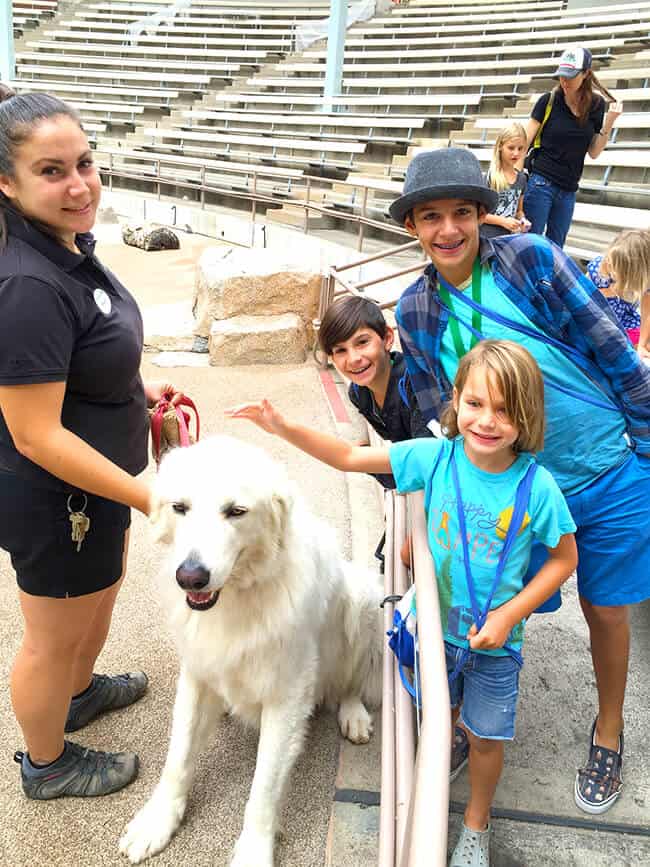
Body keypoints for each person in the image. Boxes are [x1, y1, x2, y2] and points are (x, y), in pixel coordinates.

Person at [226, 339, 578, 867]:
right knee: (442, 712)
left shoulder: (538, 487)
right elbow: (348, 456)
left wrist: (510, 614)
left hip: (494, 645)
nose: (486, 421)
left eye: (505, 410)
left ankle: (477, 822)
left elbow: (563, 559)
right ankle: (450, 743)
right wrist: (283, 427)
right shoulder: (436, 458)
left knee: (486, 740)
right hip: (434, 633)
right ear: (456, 399)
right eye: (476, 403)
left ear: (526, 416)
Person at [390, 145, 650, 817]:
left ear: (481, 213)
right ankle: (468, 723)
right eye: (430, 217)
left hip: (603, 468)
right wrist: (424, 510)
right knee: (488, 609)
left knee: (606, 607)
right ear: (413, 226)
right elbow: (432, 419)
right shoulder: (415, 310)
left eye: (460, 213)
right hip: (516, 490)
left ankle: (609, 727)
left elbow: (612, 349)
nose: (447, 230)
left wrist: (645, 450)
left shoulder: (530, 259)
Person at [0, 86, 179, 799]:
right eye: (52, 171)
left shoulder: (67, 248)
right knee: (51, 635)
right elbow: (35, 432)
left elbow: (88, 359)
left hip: (99, 484)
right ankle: (47, 763)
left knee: (97, 598)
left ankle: (78, 692)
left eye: (85, 162)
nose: (79, 185)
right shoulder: (26, 285)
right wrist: (151, 494)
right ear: (7, 183)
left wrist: (143, 396)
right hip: (56, 498)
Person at [318, 294, 431, 490]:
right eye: (340, 350)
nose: (353, 358)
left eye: (362, 342)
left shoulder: (417, 383)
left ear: (387, 338)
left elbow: (420, 465)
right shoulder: (359, 394)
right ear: (332, 358)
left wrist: (363, 457)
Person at [522, 45, 622, 248]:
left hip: (568, 189)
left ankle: (548, 282)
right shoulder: (548, 100)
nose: (564, 81)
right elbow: (523, 141)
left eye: (570, 75)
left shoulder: (596, 105)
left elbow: (594, 152)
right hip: (541, 182)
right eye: (561, 75)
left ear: (585, 74)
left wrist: (609, 122)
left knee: (557, 248)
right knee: (531, 245)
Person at [584, 229, 650, 357]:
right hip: (596, 319)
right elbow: (580, 299)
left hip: (625, 321)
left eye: (618, 268)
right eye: (611, 262)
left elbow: (647, 314)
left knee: (644, 347)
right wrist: (606, 292)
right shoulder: (598, 268)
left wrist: (642, 345)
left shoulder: (646, 279)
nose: (612, 269)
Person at [480, 122, 530, 239]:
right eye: (511, 148)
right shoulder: (490, 178)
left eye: (520, 148)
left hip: (508, 239)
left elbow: (519, 211)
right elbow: (480, 215)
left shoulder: (522, 178)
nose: (516, 153)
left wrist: (523, 220)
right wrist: (503, 221)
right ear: (500, 147)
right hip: (487, 238)